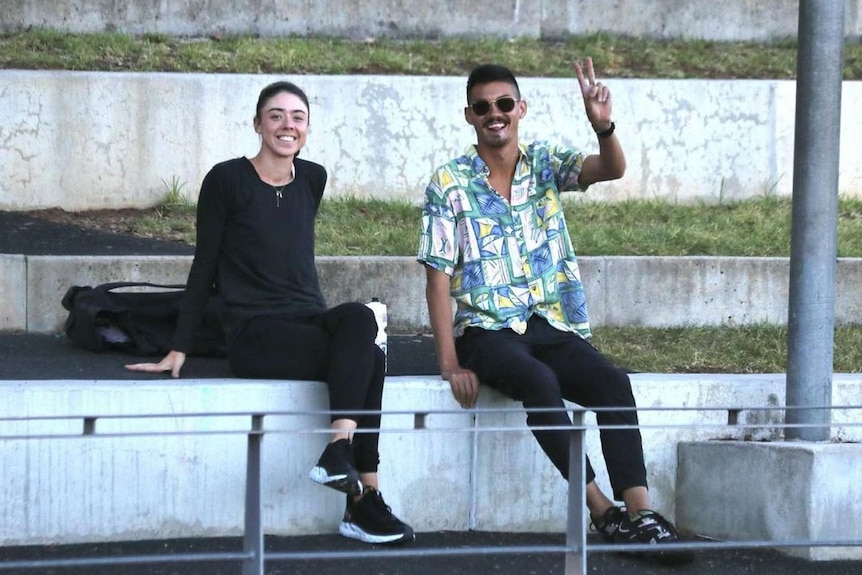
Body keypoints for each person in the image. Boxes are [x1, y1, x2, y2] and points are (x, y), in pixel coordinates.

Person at [417, 60, 692, 564]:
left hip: (547, 320)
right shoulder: (449, 182)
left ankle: (642, 514)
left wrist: (602, 125)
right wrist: (450, 362)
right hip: (486, 328)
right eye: (483, 107)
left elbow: (611, 169)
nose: (494, 114)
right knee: (539, 383)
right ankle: (602, 511)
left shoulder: (544, 162)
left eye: (504, 104)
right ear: (469, 116)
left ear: (520, 109)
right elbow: (437, 276)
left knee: (611, 381)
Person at [126, 80, 414, 546]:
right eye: (276, 115)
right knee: (372, 359)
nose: (287, 125)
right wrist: (179, 346)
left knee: (362, 319)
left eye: (297, 117)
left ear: (307, 128)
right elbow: (205, 264)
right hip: (253, 333)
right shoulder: (226, 180)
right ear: (257, 123)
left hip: (306, 317)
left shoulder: (312, 178)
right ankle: (364, 500)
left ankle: (340, 452)